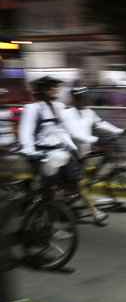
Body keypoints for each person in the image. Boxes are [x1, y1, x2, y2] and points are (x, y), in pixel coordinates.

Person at [18, 76, 108, 225]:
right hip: (44, 154)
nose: (56, 89)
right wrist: (29, 150)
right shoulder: (32, 108)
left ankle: (95, 212)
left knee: (80, 182)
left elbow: (65, 130)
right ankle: (44, 220)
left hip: (63, 151)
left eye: (56, 87)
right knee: (50, 190)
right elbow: (26, 133)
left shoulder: (59, 107)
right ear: (43, 90)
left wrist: (77, 145)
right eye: (52, 87)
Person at [63, 87, 125, 157]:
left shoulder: (89, 112)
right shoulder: (66, 113)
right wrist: (96, 140)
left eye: (85, 97)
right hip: (71, 153)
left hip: (86, 151)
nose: (84, 100)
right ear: (74, 99)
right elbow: (75, 135)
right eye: (79, 98)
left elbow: (101, 123)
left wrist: (118, 131)